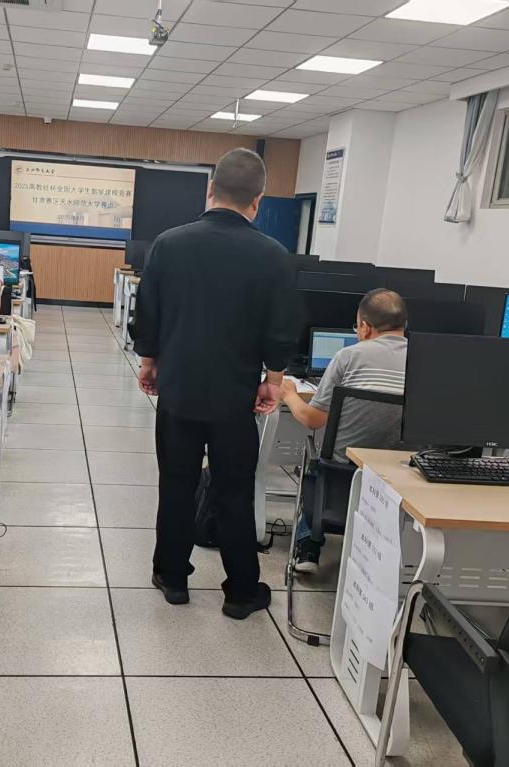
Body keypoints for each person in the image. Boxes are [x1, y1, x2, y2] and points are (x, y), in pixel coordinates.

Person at [132, 148, 296, 620]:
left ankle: (172, 577)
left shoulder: (169, 244)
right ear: (257, 200)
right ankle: (241, 592)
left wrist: (149, 362)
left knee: (176, 486)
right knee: (234, 493)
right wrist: (273, 380)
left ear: (210, 190)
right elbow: (280, 329)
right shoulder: (273, 255)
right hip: (234, 397)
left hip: (179, 391)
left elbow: (149, 313)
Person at [281, 288, 408, 573]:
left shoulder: (348, 356)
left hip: (341, 476)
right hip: (399, 479)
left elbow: (313, 419)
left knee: (313, 459)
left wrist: (288, 394)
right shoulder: (424, 362)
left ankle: (309, 545)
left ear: (364, 327)